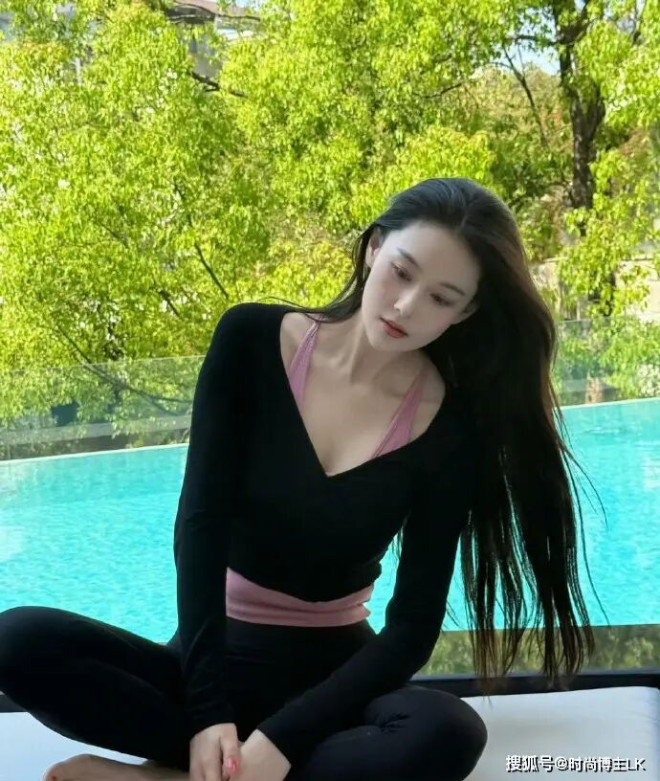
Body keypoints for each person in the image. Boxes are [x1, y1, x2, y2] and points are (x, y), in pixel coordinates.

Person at [0, 177, 601, 781]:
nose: (406, 306)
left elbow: (412, 629)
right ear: (374, 248)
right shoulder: (251, 340)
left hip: (329, 686)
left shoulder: (449, 425)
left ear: (465, 312)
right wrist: (208, 712)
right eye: (401, 272)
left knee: (447, 732)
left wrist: (283, 739)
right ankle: (220, 763)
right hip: (208, 666)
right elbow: (200, 528)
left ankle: (170, 777)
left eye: (441, 299)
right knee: (17, 640)